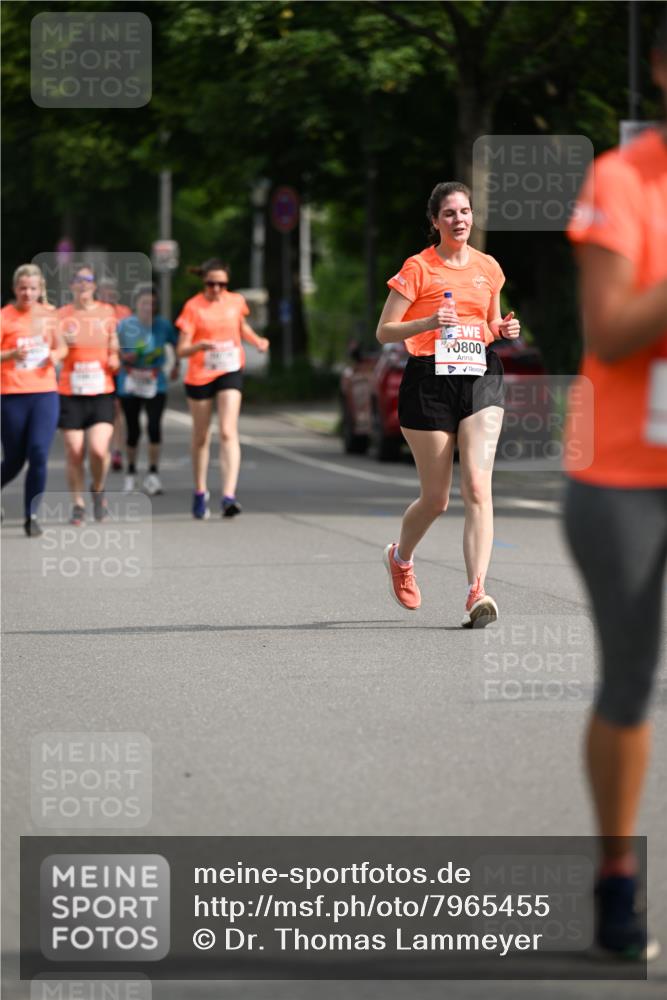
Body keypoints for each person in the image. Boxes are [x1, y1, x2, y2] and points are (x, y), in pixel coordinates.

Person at [563, 12, 667, 962]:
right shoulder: (621, 180)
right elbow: (615, 329)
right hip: (628, 475)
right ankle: (615, 878)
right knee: (630, 681)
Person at [376, 182, 520, 627]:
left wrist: (503, 330)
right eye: (450, 213)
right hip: (429, 380)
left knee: (478, 486)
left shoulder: (488, 267)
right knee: (436, 498)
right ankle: (401, 558)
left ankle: (477, 590)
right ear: (435, 222)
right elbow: (384, 331)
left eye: (466, 211)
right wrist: (429, 320)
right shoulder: (418, 268)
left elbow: (490, 322)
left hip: (480, 377)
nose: (460, 219)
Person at [175, 258, 269, 519]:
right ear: (203, 282)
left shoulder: (236, 301)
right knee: (201, 435)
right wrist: (198, 346)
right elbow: (181, 349)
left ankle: (229, 496)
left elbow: (241, 327)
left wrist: (257, 341)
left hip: (229, 368)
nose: (216, 289)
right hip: (200, 374)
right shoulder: (193, 307)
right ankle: (199, 490)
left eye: (221, 284)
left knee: (228, 430)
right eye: (211, 284)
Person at [1, 264, 66, 536]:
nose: (27, 293)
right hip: (12, 394)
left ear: (41, 290)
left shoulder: (50, 316)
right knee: (15, 459)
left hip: (44, 392)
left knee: (39, 453)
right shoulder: (4, 316)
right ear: (15, 289)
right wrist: (10, 355)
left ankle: (32, 515)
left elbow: (62, 347)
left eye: (32, 288)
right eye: (23, 288)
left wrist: (54, 356)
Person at [57, 265, 120, 524]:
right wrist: (64, 342)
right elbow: (54, 349)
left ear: (94, 285)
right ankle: (78, 503)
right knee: (74, 450)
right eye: (78, 280)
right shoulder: (61, 315)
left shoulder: (107, 312)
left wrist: (114, 357)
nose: (83, 285)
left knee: (97, 449)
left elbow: (113, 343)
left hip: (101, 390)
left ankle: (97, 488)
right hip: (70, 391)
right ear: (71, 286)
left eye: (88, 280)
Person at [116, 284, 179, 495]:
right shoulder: (125, 325)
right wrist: (124, 357)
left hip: (155, 381)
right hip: (130, 381)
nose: (148, 308)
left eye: (152, 304)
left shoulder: (163, 325)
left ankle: (153, 474)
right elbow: (112, 350)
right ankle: (131, 473)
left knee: (154, 427)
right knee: (133, 430)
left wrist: (176, 365)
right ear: (136, 305)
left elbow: (177, 344)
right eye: (144, 303)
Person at [97, 275, 132, 473]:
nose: (108, 295)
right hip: (98, 369)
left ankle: (116, 451)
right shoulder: (93, 313)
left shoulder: (124, 313)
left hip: (119, 368)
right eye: (104, 292)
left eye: (111, 291)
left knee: (117, 410)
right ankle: (102, 448)